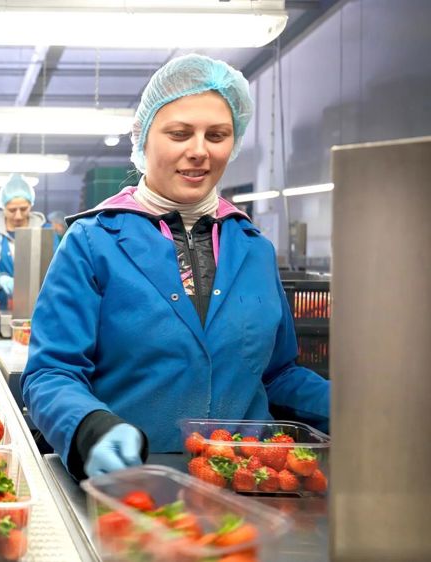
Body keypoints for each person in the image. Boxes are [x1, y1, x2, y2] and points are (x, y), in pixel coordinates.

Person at [21, 54, 330, 480]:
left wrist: (361, 412)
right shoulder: (93, 241)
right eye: (180, 133)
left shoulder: (253, 247)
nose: (199, 151)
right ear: (144, 138)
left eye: (217, 135)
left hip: (244, 483)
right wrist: (89, 427)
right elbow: (51, 372)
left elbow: (277, 375)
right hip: (132, 487)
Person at [0, 174, 46, 305]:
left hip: (40, 305)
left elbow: (60, 270)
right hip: (0, 306)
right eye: (12, 210)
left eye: (23, 209)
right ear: (3, 207)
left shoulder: (44, 231)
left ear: (31, 205)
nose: (18, 215)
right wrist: (0, 280)